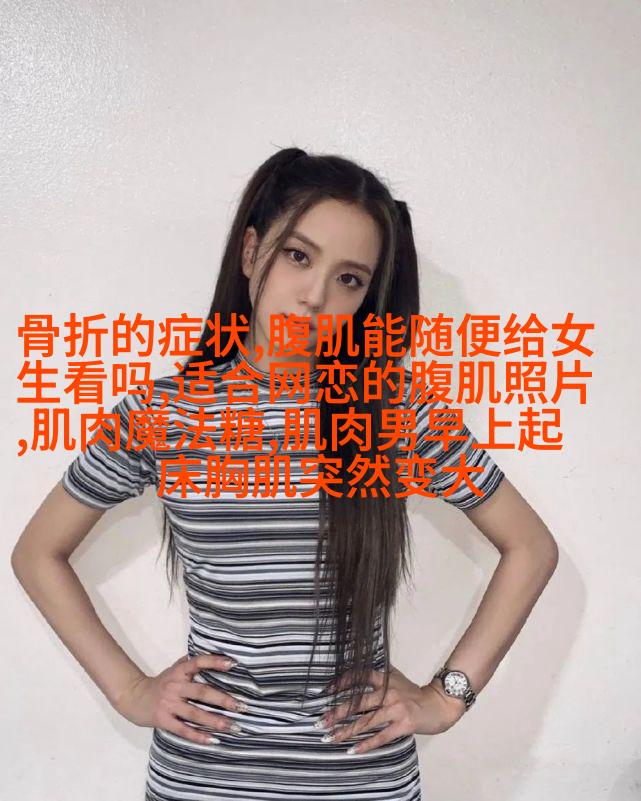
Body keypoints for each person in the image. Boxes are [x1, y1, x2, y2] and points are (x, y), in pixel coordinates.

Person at [11, 147, 559, 800]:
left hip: (361, 777)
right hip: (205, 777)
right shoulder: (162, 414)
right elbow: (36, 552)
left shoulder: (393, 411)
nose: (314, 296)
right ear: (251, 252)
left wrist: (446, 697)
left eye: (349, 279)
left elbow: (531, 547)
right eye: (298, 256)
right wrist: (129, 689)